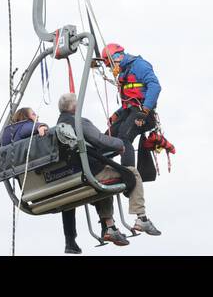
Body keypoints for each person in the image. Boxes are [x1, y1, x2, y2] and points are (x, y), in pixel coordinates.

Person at [55, 91, 133, 251]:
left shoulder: (57, 130)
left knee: (97, 179)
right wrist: (119, 144)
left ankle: (79, 238)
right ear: (74, 106)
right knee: (120, 175)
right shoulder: (77, 122)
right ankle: (132, 219)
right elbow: (99, 139)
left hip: (64, 180)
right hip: (85, 174)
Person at [99, 43, 162, 236]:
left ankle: (129, 177)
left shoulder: (139, 65)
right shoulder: (124, 72)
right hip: (130, 111)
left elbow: (154, 86)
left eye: (109, 64)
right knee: (104, 140)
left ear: (117, 57)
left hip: (143, 113)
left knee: (124, 137)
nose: (110, 69)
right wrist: (117, 116)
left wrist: (145, 111)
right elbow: (128, 101)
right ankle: (104, 175)